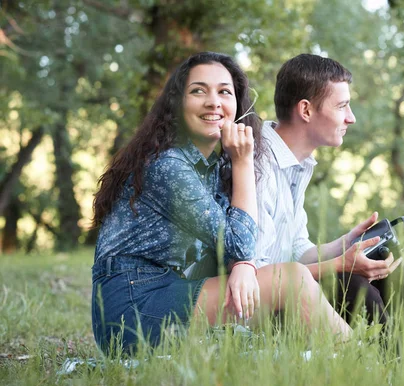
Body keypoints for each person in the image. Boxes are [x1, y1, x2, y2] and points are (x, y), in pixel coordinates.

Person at [90, 52, 351, 354]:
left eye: (224, 92)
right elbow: (236, 243)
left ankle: (350, 357)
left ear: (238, 105)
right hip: (134, 307)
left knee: (303, 284)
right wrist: (243, 164)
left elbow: (237, 248)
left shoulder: (211, 166)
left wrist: (242, 263)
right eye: (198, 90)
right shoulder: (168, 166)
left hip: (175, 292)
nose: (214, 102)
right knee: (291, 280)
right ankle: (360, 358)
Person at [255, 54, 404, 348]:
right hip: (255, 310)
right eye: (341, 106)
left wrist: (346, 245)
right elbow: (259, 275)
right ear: (306, 110)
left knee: (382, 263)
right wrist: (340, 265)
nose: (351, 117)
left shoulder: (295, 164)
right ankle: (393, 373)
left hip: (289, 290)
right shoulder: (259, 166)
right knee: (351, 281)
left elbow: (297, 251)